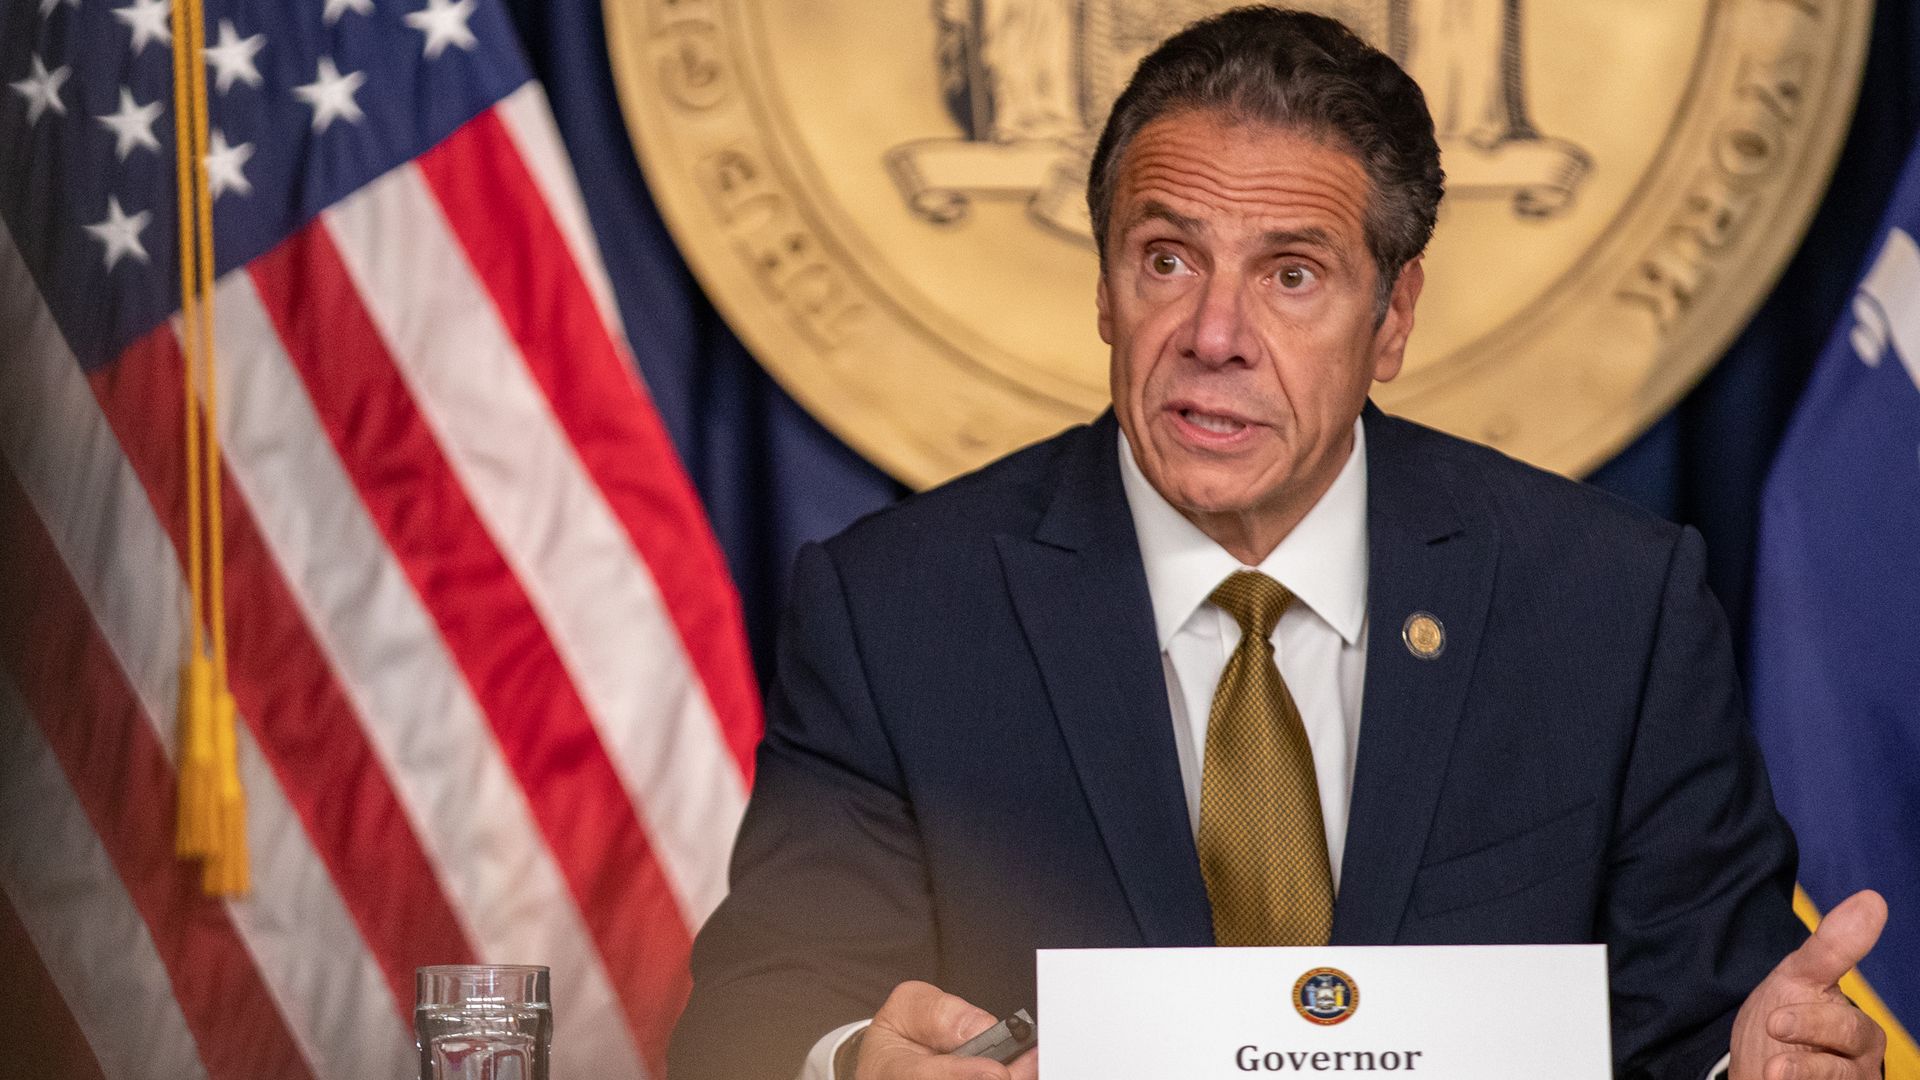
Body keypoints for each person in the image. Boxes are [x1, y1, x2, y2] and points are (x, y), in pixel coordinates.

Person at [667, 9, 1890, 1080]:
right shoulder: (899, 612)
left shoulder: (1610, 606)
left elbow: (1709, 1023)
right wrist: (847, 1067)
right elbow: (755, 1014)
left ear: (1393, 317)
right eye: (1166, 260)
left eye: (1292, 275)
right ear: (1104, 289)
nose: (1214, 333)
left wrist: (1764, 1065)